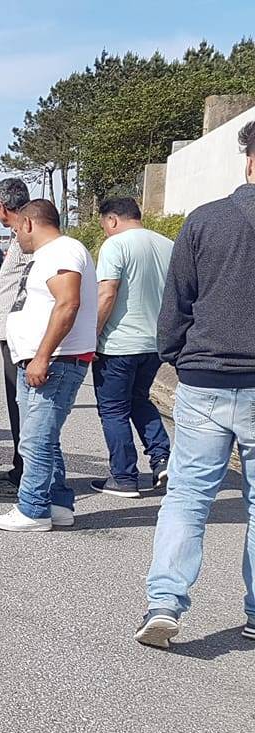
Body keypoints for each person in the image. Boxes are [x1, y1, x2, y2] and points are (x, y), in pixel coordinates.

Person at [137, 120, 255, 649]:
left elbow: (176, 304)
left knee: (187, 497)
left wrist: (179, 359)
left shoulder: (205, 221)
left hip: (204, 377)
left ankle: (164, 603)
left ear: (246, 159)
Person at [0, 199, 98, 533]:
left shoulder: (59, 252)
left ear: (30, 223)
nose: (18, 236)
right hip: (49, 359)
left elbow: (68, 304)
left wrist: (42, 356)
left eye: (17, 228)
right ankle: (57, 502)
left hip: (54, 361)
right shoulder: (57, 253)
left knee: (34, 440)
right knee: (45, 437)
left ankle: (33, 508)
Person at [88, 197, 172, 499]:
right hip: (155, 343)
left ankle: (123, 477)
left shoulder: (116, 245)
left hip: (119, 343)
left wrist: (91, 336)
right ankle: (163, 460)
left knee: (113, 410)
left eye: (104, 226)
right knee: (140, 400)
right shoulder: (168, 245)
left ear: (112, 220)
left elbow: (106, 293)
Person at [0, 179, 33, 499]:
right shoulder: (20, 236)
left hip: (21, 335)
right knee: (19, 405)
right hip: (13, 333)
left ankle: (27, 475)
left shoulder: (29, 236)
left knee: (23, 406)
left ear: (2, 207)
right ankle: (21, 468)